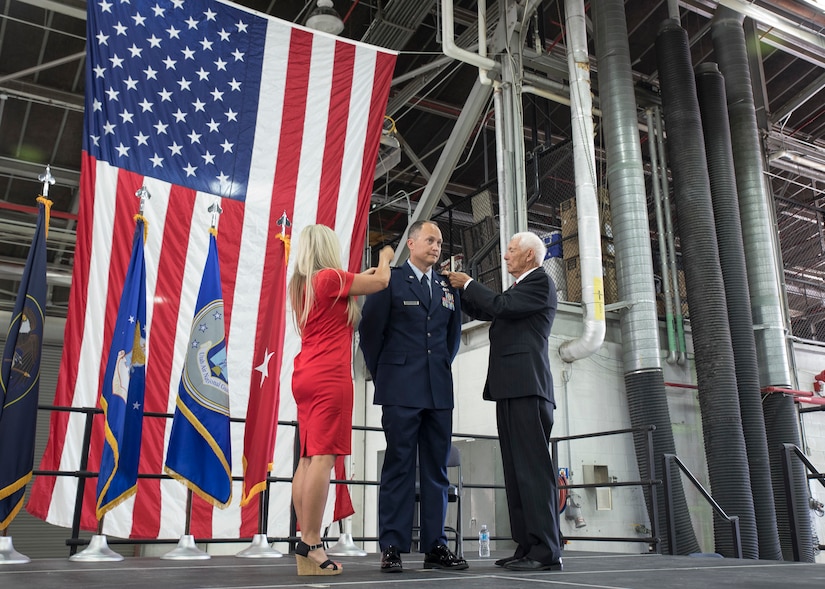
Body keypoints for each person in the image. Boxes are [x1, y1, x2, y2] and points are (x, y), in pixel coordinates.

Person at [444, 231, 563, 572]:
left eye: (511, 251)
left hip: (528, 387)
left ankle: (545, 550)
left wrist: (468, 284)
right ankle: (527, 544)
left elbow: (500, 306)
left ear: (529, 255)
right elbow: (493, 309)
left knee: (533, 471)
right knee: (514, 471)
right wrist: (458, 293)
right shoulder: (519, 288)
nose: (506, 256)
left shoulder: (540, 282)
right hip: (510, 388)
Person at [359, 219, 466, 573]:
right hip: (400, 388)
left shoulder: (447, 286)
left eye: (440, 242)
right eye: (430, 240)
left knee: (436, 471)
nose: (437, 246)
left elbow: (451, 338)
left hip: (438, 390)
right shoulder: (389, 281)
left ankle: (436, 545)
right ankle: (392, 546)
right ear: (412, 243)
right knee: (399, 467)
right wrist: (386, 373)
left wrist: (437, 368)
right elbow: (370, 332)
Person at [288, 224, 394, 576]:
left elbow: (352, 285)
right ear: (328, 249)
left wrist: (360, 277)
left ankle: (306, 539)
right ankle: (314, 542)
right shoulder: (330, 278)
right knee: (323, 459)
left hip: (304, 374)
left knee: (306, 458)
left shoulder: (303, 284)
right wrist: (386, 255)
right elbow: (380, 282)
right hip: (328, 377)